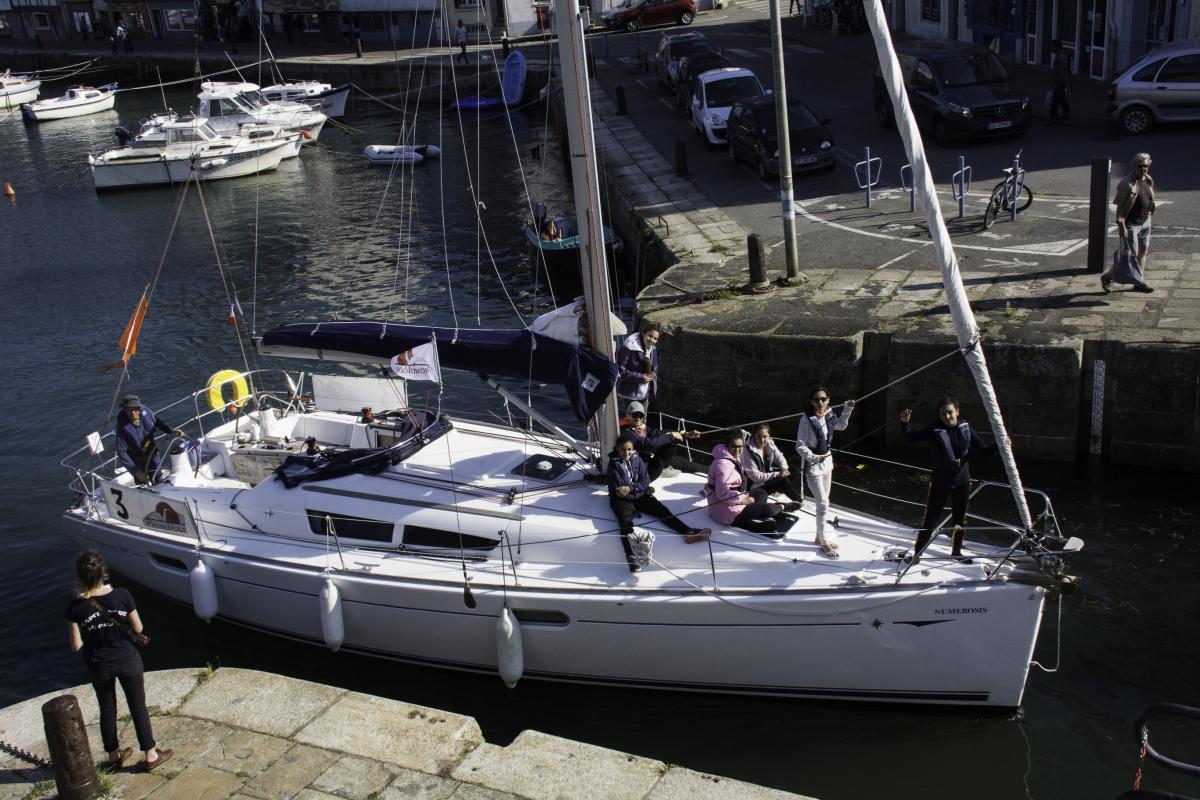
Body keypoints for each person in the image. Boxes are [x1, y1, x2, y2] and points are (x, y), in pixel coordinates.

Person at [66, 550, 173, 772]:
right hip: (127, 659)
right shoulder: (122, 594)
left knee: (107, 708)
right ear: (102, 572)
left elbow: (76, 646)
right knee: (138, 706)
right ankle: (151, 754)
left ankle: (113, 755)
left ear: (79, 577)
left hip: (98, 664)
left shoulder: (75, 607)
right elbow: (138, 628)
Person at [899, 398, 1005, 563]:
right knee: (931, 519)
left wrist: (1000, 444)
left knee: (960, 518)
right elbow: (911, 437)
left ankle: (956, 551)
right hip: (941, 481)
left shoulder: (966, 427)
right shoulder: (934, 429)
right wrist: (904, 423)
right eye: (943, 414)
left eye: (950, 412)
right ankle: (917, 554)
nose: (947, 417)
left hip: (962, 480)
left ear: (957, 412)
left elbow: (984, 450)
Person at [608, 433, 711, 573]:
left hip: (637, 494)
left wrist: (633, 488)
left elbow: (645, 479)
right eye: (623, 450)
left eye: (629, 449)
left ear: (633, 449)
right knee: (626, 524)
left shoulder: (637, 459)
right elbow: (620, 489)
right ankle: (631, 558)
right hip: (621, 499)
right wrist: (637, 488)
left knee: (661, 510)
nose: (626, 453)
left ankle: (688, 531)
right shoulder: (613, 465)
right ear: (617, 450)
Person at [795, 388, 855, 558]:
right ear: (812, 402)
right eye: (816, 400)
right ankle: (824, 542)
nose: (820, 402)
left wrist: (848, 409)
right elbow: (799, 445)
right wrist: (813, 457)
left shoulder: (829, 413)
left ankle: (818, 537)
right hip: (813, 465)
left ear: (828, 400)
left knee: (825, 501)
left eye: (823, 399)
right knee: (822, 503)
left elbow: (841, 425)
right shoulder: (806, 419)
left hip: (827, 461)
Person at [704, 431, 797, 536]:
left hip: (732, 499)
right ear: (727, 446)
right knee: (770, 509)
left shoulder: (731, 458)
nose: (737, 450)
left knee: (761, 493)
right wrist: (742, 500)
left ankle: (754, 518)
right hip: (724, 511)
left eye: (740, 446)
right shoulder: (724, 465)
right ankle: (783, 507)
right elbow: (722, 494)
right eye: (733, 446)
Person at [1102, 153, 1155, 294]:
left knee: (1142, 251)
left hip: (1145, 221)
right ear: (1134, 166)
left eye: (1146, 166)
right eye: (1140, 166)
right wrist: (1122, 227)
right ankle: (1107, 277)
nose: (1143, 169)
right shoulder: (1127, 184)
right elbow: (1119, 210)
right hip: (1131, 224)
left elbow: (1149, 198)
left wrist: (1149, 213)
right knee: (1129, 254)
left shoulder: (1148, 179)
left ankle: (1139, 282)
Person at [621, 401, 704, 481]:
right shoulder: (627, 433)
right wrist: (671, 436)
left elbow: (659, 433)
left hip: (649, 462)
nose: (638, 418)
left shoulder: (641, 428)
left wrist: (685, 434)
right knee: (671, 440)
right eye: (635, 415)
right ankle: (663, 468)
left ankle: (709, 469)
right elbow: (648, 445)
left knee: (684, 463)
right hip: (642, 473)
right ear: (627, 414)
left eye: (641, 415)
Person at [114, 395, 185, 486]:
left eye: (135, 409)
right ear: (125, 410)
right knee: (142, 486)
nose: (133, 412)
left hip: (152, 452)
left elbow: (157, 422)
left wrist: (172, 431)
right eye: (129, 410)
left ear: (139, 408)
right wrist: (136, 472)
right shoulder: (122, 427)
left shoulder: (146, 412)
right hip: (137, 459)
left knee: (159, 480)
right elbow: (121, 452)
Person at [741, 423, 804, 503]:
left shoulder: (769, 443)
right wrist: (778, 474)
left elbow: (779, 457)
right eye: (758, 436)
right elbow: (755, 477)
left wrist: (783, 469)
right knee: (781, 480)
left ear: (769, 436)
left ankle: (778, 491)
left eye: (764, 436)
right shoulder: (747, 450)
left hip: (766, 478)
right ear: (754, 436)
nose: (762, 440)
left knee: (795, 470)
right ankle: (799, 502)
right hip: (754, 486)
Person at [616, 322, 660, 407]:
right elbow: (621, 372)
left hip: (645, 394)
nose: (652, 340)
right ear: (643, 334)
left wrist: (653, 375)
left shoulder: (653, 349)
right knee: (633, 415)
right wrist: (641, 377)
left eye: (655, 338)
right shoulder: (629, 347)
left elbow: (654, 369)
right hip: (630, 395)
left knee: (643, 415)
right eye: (650, 336)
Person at [1048, 40, 1071, 124]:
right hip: (1062, 82)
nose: (1051, 48)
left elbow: (1060, 72)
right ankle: (1066, 112)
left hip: (1060, 82)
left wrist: (1055, 84)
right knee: (1061, 98)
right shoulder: (1061, 56)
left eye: (1052, 46)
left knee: (1055, 100)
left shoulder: (1061, 58)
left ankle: (1053, 117)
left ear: (1056, 47)